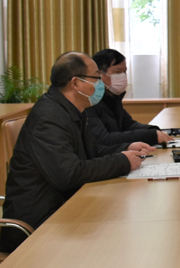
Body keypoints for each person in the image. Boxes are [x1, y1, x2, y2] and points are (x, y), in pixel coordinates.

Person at [0, 52, 154, 253]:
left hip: (63, 207)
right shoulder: (49, 118)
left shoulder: (69, 110)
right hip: (38, 223)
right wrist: (122, 161)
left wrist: (125, 148)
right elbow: (68, 174)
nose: (101, 83)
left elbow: (91, 152)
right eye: (96, 77)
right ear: (75, 83)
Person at [86, 49, 170, 146]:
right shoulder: (89, 101)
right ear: (99, 75)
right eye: (118, 72)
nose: (123, 76)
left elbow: (128, 125)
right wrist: (150, 135)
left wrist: (153, 130)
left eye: (124, 71)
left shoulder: (113, 98)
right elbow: (104, 139)